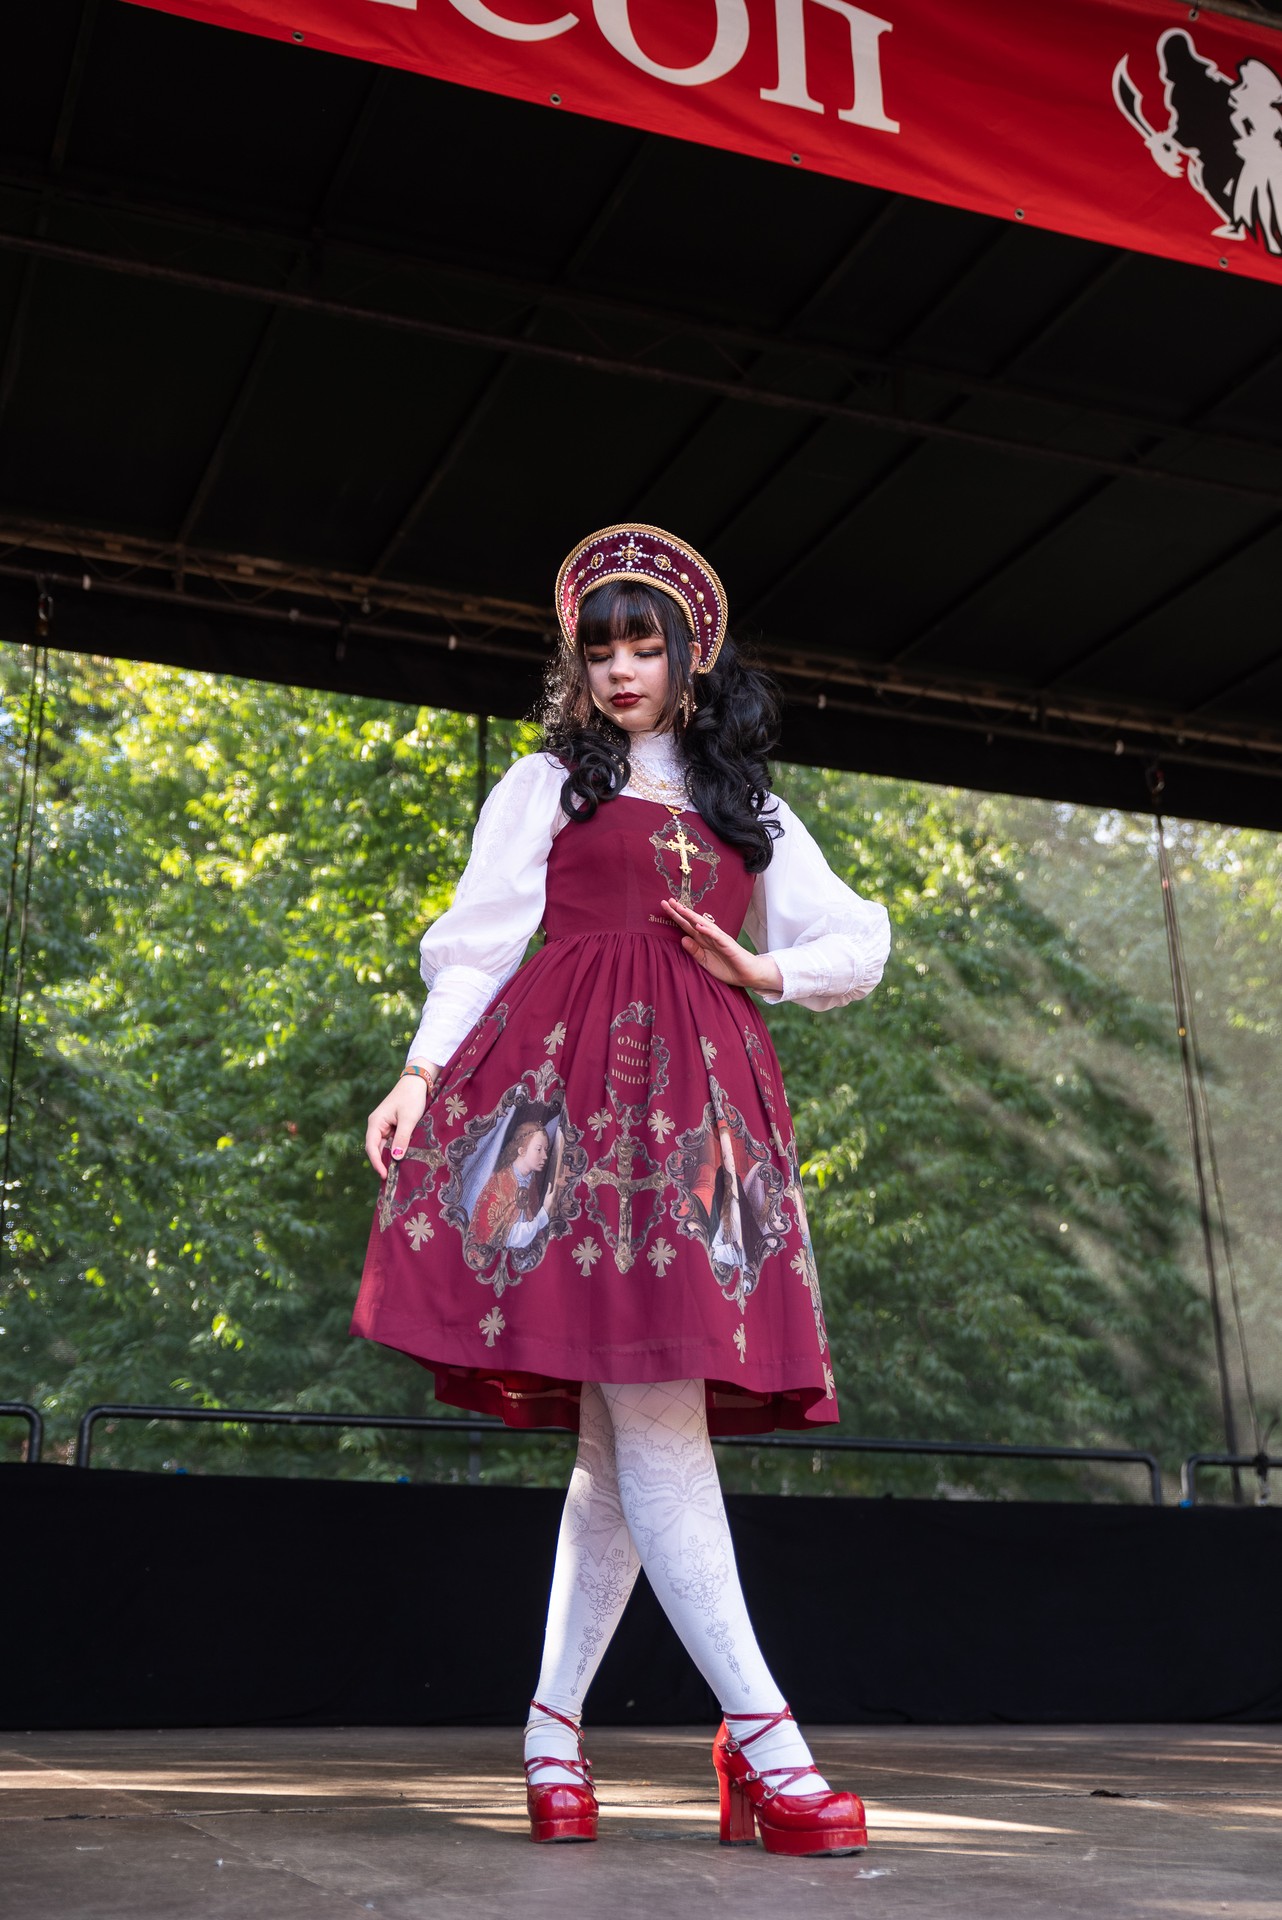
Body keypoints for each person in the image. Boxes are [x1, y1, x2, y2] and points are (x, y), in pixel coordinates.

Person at [354, 524, 891, 1855]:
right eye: (599, 649)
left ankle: (554, 1739)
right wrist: (418, 1074)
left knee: (624, 1443)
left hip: (701, 1127)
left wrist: (763, 970)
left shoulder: (746, 807)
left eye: (643, 644)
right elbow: (478, 945)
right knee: (651, 1421)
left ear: (689, 655)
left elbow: (855, 940)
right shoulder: (547, 783)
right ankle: (767, 1746)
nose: (620, 669)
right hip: (570, 1112)